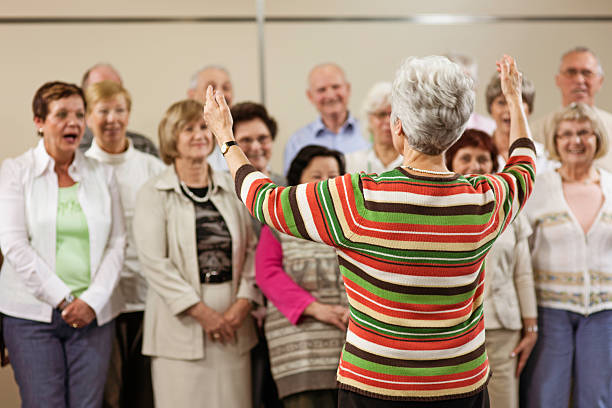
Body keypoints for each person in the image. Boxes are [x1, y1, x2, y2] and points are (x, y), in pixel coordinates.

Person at [204, 54, 536, 407]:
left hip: (375, 384)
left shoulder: (357, 198)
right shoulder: (484, 200)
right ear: (456, 133)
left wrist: (226, 138)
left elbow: (262, 198)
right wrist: (514, 100)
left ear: (398, 127)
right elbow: (525, 163)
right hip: (460, 385)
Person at [0, 81, 125, 407]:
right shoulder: (15, 172)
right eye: (62, 114)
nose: (73, 122)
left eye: (79, 115)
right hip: (32, 319)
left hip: (94, 317)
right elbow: (13, 245)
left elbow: (118, 242)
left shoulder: (102, 174)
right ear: (39, 122)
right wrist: (65, 299)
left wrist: (91, 301)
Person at [133, 99, 261, 408]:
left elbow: (252, 250)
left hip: (234, 326)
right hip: (181, 330)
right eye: (188, 129)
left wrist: (243, 304)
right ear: (170, 138)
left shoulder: (232, 186)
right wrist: (205, 315)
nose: (199, 135)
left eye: (204, 127)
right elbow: (155, 264)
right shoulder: (153, 192)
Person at [521, 102, 612, 408]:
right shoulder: (539, 188)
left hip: (604, 312)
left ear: (597, 138)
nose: (576, 140)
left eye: (584, 132)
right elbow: (521, 251)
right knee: (546, 397)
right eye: (567, 134)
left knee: (597, 398)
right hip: (550, 312)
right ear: (556, 141)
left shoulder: (611, 186)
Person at [84, 80, 165, 408]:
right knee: (107, 395)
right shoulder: (79, 169)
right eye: (103, 111)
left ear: (129, 115)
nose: (112, 119)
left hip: (150, 299)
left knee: (144, 393)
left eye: (119, 110)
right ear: (89, 117)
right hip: (101, 302)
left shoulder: (153, 168)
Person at [446, 129, 538, 408]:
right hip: (454, 330)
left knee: (503, 402)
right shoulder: (441, 206)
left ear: (494, 164)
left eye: (483, 158)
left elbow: (522, 272)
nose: (475, 165)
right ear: (449, 162)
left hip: (502, 327)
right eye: (466, 158)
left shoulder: (509, 207)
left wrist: (531, 326)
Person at [256, 145, 348, 407]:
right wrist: (316, 309)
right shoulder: (279, 223)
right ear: (297, 182)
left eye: (333, 176)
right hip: (301, 353)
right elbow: (267, 274)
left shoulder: (353, 225)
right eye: (316, 176)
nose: (326, 184)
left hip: (353, 357)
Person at [230, 101, 284, 408]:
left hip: (282, 310)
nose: (256, 146)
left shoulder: (289, 186)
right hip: (239, 308)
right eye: (245, 140)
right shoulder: (222, 189)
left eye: (262, 138)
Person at [531, 47, 612, 171]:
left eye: (587, 73)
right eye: (571, 72)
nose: (579, 80)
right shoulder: (534, 132)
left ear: (600, 81)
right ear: (558, 80)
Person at [283, 63, 369, 172]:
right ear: (310, 96)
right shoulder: (297, 142)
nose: (330, 95)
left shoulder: (370, 133)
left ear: (348, 89)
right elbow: (291, 186)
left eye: (335, 87)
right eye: (321, 90)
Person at [79, 63, 159, 157]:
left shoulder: (144, 147)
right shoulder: (72, 150)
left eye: (116, 88)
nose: (112, 118)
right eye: (99, 90)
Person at [485, 72, 554, 173]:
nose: (509, 109)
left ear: (530, 109)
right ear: (490, 108)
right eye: (501, 102)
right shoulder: (479, 154)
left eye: (517, 102)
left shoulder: (545, 157)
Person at [344, 82, 403, 173]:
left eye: (394, 115)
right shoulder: (351, 163)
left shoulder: (413, 163)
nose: (388, 121)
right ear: (369, 119)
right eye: (381, 114)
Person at [188, 65, 235, 172]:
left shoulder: (245, 135)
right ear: (192, 95)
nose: (220, 93)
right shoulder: (184, 140)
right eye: (211, 88)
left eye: (226, 88)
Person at [445, 52, 497, 135]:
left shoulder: (490, 128)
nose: (463, 89)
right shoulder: (429, 127)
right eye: (457, 81)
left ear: (476, 87)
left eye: (469, 81)